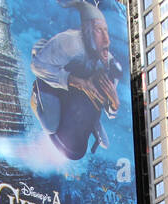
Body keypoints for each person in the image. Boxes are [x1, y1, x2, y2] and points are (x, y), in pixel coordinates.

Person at [30, 0, 123, 160]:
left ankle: (91, 118)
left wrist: (114, 104)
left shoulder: (109, 64)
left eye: (105, 31)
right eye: (99, 31)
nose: (107, 39)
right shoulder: (69, 43)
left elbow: (110, 105)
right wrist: (78, 82)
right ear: (87, 31)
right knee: (50, 126)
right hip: (55, 83)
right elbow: (38, 66)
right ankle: (39, 92)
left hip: (79, 91)